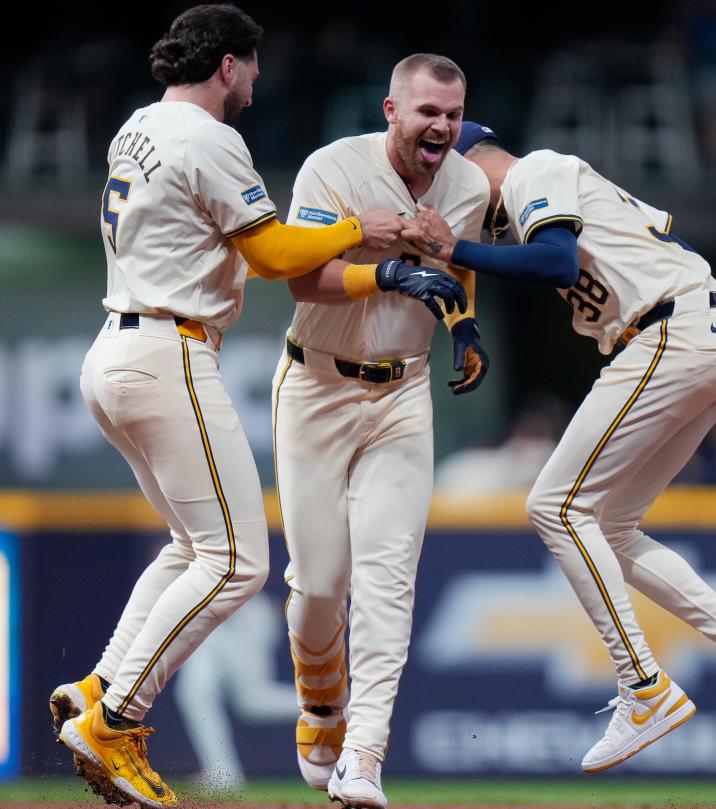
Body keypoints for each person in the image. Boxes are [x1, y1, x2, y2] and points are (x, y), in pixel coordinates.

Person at [49, 9, 463, 808]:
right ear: (230, 66)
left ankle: (100, 683)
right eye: (254, 64)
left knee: (189, 546)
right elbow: (273, 257)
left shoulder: (138, 125)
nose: (259, 78)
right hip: (169, 348)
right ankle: (116, 717)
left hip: (114, 348)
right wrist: (357, 230)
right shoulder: (210, 138)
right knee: (238, 561)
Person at [402, 122, 716, 773]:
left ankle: (643, 686)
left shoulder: (534, 171)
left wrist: (455, 245)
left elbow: (556, 262)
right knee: (612, 527)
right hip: (699, 335)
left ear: (468, 164)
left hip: (669, 331)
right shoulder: (533, 195)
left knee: (555, 506)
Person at [273, 55, 489, 809]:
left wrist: (464, 329)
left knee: (388, 581)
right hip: (317, 383)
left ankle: (363, 756)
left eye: (454, 114)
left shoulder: (468, 185)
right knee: (320, 585)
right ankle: (320, 700)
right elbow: (302, 278)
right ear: (391, 108)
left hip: (403, 392)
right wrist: (387, 269)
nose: (442, 126)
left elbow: (456, 275)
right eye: (428, 110)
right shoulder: (334, 167)